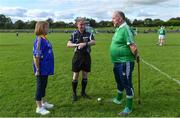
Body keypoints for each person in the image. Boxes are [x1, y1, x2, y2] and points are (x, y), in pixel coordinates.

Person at [110, 11, 138, 116]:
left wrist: (135, 57)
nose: (112, 20)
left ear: (120, 18)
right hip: (117, 62)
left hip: (125, 62)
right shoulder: (119, 28)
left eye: (113, 18)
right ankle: (118, 99)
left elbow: (133, 47)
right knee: (119, 81)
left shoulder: (125, 29)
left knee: (127, 83)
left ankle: (129, 107)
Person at [67, 17, 96, 101]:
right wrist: (77, 45)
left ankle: (83, 92)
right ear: (77, 25)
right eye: (81, 24)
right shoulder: (74, 34)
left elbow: (94, 42)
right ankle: (74, 94)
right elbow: (68, 44)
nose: (82, 26)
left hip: (86, 56)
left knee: (85, 75)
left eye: (84, 24)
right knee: (75, 75)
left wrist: (85, 44)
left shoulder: (89, 34)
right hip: (77, 56)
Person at [33, 21, 54, 115]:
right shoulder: (39, 40)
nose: (48, 29)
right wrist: (37, 69)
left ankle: (43, 102)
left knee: (44, 85)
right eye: (46, 27)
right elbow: (36, 56)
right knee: (40, 86)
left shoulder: (44, 38)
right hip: (41, 68)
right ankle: (39, 107)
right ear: (41, 28)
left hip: (46, 67)